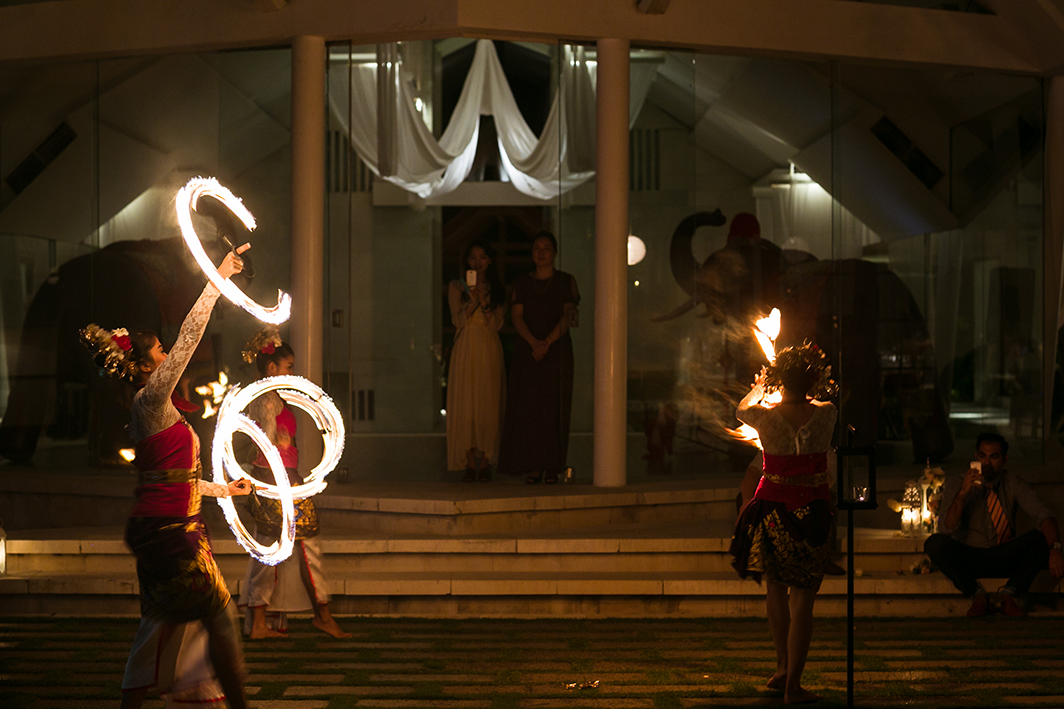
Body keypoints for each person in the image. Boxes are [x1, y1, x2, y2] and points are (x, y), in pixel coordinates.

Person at [80, 245, 252, 709]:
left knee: (159, 627)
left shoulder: (154, 409)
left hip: (169, 529)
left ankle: (159, 698)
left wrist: (224, 489)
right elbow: (192, 335)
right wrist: (217, 279)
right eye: (160, 349)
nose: (169, 352)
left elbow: (175, 480)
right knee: (219, 625)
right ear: (143, 367)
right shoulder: (150, 401)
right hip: (173, 536)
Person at [729, 343, 836, 705]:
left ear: (779, 379)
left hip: (775, 511)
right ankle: (792, 684)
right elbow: (819, 400)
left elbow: (742, 407)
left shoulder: (763, 417)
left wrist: (762, 382)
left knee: (775, 589)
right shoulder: (827, 414)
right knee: (803, 600)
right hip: (814, 512)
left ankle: (782, 667)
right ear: (814, 378)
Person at [238, 327, 350, 639]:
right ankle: (271, 621)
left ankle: (306, 616)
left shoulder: (273, 397)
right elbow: (262, 440)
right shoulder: (266, 400)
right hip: (275, 481)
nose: (292, 372)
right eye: (289, 367)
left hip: (287, 479)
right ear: (272, 368)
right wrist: (278, 441)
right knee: (275, 548)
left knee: (294, 546)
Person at [924, 433, 1063, 617]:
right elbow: (946, 528)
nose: (987, 462)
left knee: (1042, 537)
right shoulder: (958, 483)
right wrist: (963, 493)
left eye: (994, 457)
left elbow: (1044, 515)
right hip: (970, 554)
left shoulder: (1012, 483)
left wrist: (1055, 549)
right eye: (982, 456)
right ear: (976, 457)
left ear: (1004, 460)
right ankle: (977, 595)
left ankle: (1009, 594)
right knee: (934, 543)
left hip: (1004, 553)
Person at [497, 231, 580, 484]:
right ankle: (533, 466)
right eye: (536, 248)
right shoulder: (522, 283)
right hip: (529, 351)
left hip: (557, 350)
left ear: (554, 252)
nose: (541, 252)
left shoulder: (566, 281)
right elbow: (517, 316)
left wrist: (548, 342)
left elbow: (569, 315)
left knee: (555, 407)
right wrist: (535, 342)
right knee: (530, 409)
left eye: (546, 248)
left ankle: (553, 465)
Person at [446, 240, 506, 482]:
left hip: (488, 345)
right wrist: (471, 300)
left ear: (489, 260)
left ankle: (487, 459)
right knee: (466, 401)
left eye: (482, 257)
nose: (477, 262)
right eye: (473, 258)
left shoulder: (498, 288)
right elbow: (457, 322)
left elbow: (498, 324)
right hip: (466, 345)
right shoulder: (456, 286)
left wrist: (485, 301)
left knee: (487, 400)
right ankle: (470, 460)